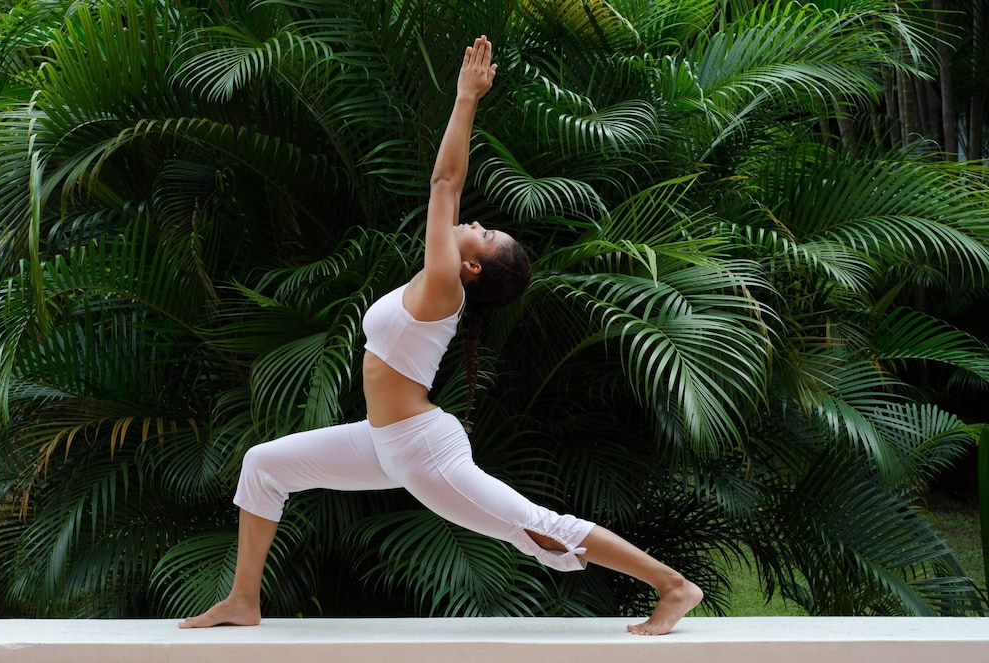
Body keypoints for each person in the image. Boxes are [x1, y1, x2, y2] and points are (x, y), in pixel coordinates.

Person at [179, 35, 703, 636]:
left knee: (536, 527)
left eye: (485, 234)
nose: (475, 222)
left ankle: (672, 585)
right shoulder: (437, 283)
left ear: (472, 266)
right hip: (383, 441)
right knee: (263, 465)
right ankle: (243, 600)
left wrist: (466, 98)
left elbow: (445, 183)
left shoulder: (441, 288)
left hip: (421, 449)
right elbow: (449, 199)